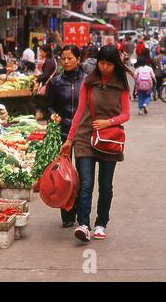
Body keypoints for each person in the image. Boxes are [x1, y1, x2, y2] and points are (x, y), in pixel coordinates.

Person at [59, 45, 131, 242]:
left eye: (109, 64)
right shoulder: (88, 83)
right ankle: (84, 224)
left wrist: (109, 122)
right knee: (86, 184)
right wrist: (69, 140)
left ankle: (101, 223)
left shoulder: (121, 86)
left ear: (115, 64)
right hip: (85, 138)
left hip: (109, 139)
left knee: (105, 185)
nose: (105, 67)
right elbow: (80, 111)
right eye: (102, 63)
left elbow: (126, 114)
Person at [46, 44, 86, 228]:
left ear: (78, 59)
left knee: (85, 176)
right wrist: (53, 114)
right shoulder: (55, 82)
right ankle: (68, 213)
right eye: (63, 58)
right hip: (63, 133)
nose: (66, 61)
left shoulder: (87, 81)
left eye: (70, 58)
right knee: (64, 176)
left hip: (84, 134)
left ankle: (83, 212)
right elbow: (49, 105)